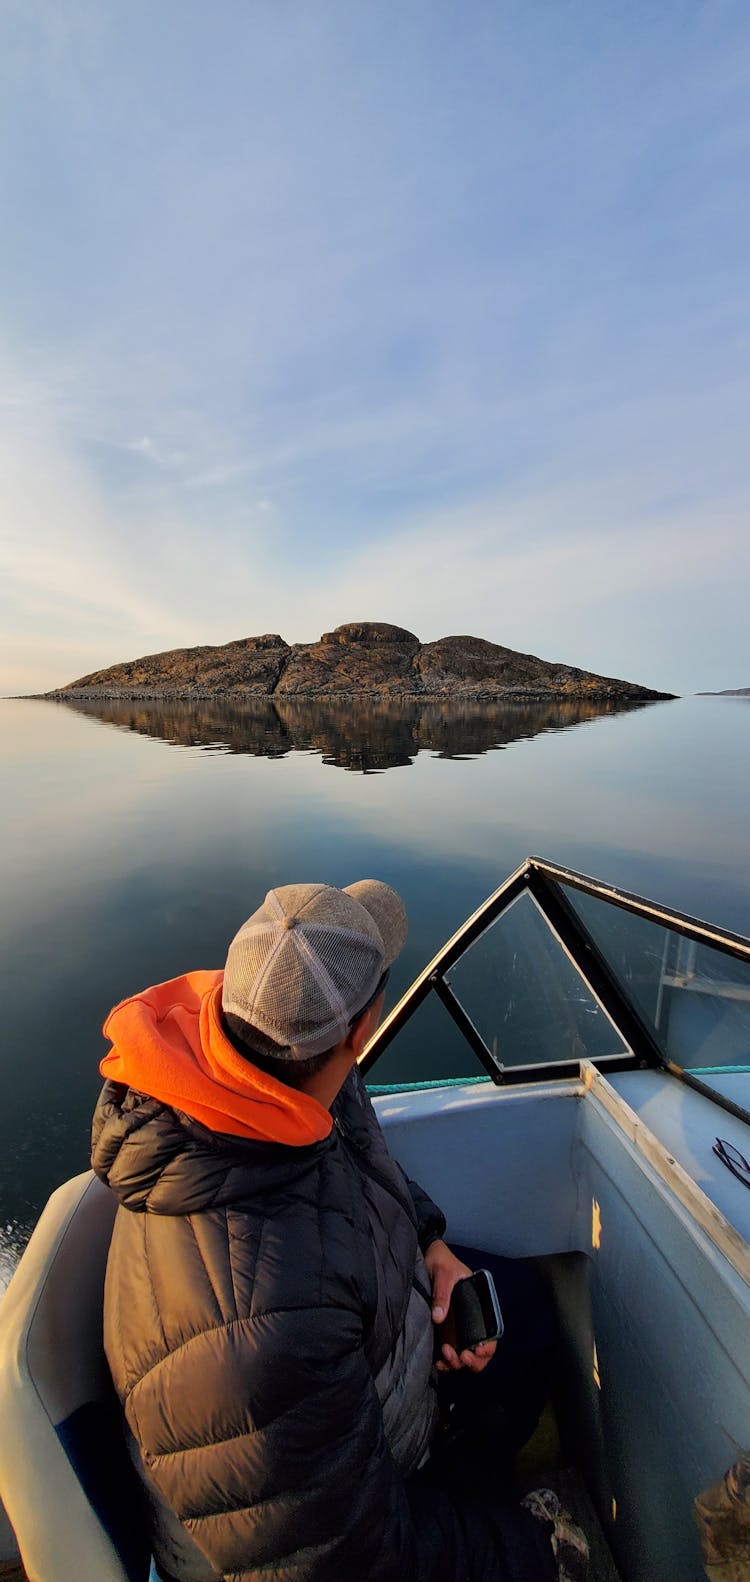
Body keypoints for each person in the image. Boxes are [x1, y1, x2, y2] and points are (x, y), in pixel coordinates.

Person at [92, 879, 586, 1582]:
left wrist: (430, 1246)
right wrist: (532, 1553)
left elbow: (353, 1164)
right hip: (292, 1529)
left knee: (525, 1313)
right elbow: (345, 1561)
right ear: (364, 1030)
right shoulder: (256, 1333)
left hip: (342, 1372)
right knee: (507, 1427)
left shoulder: (266, 1066)